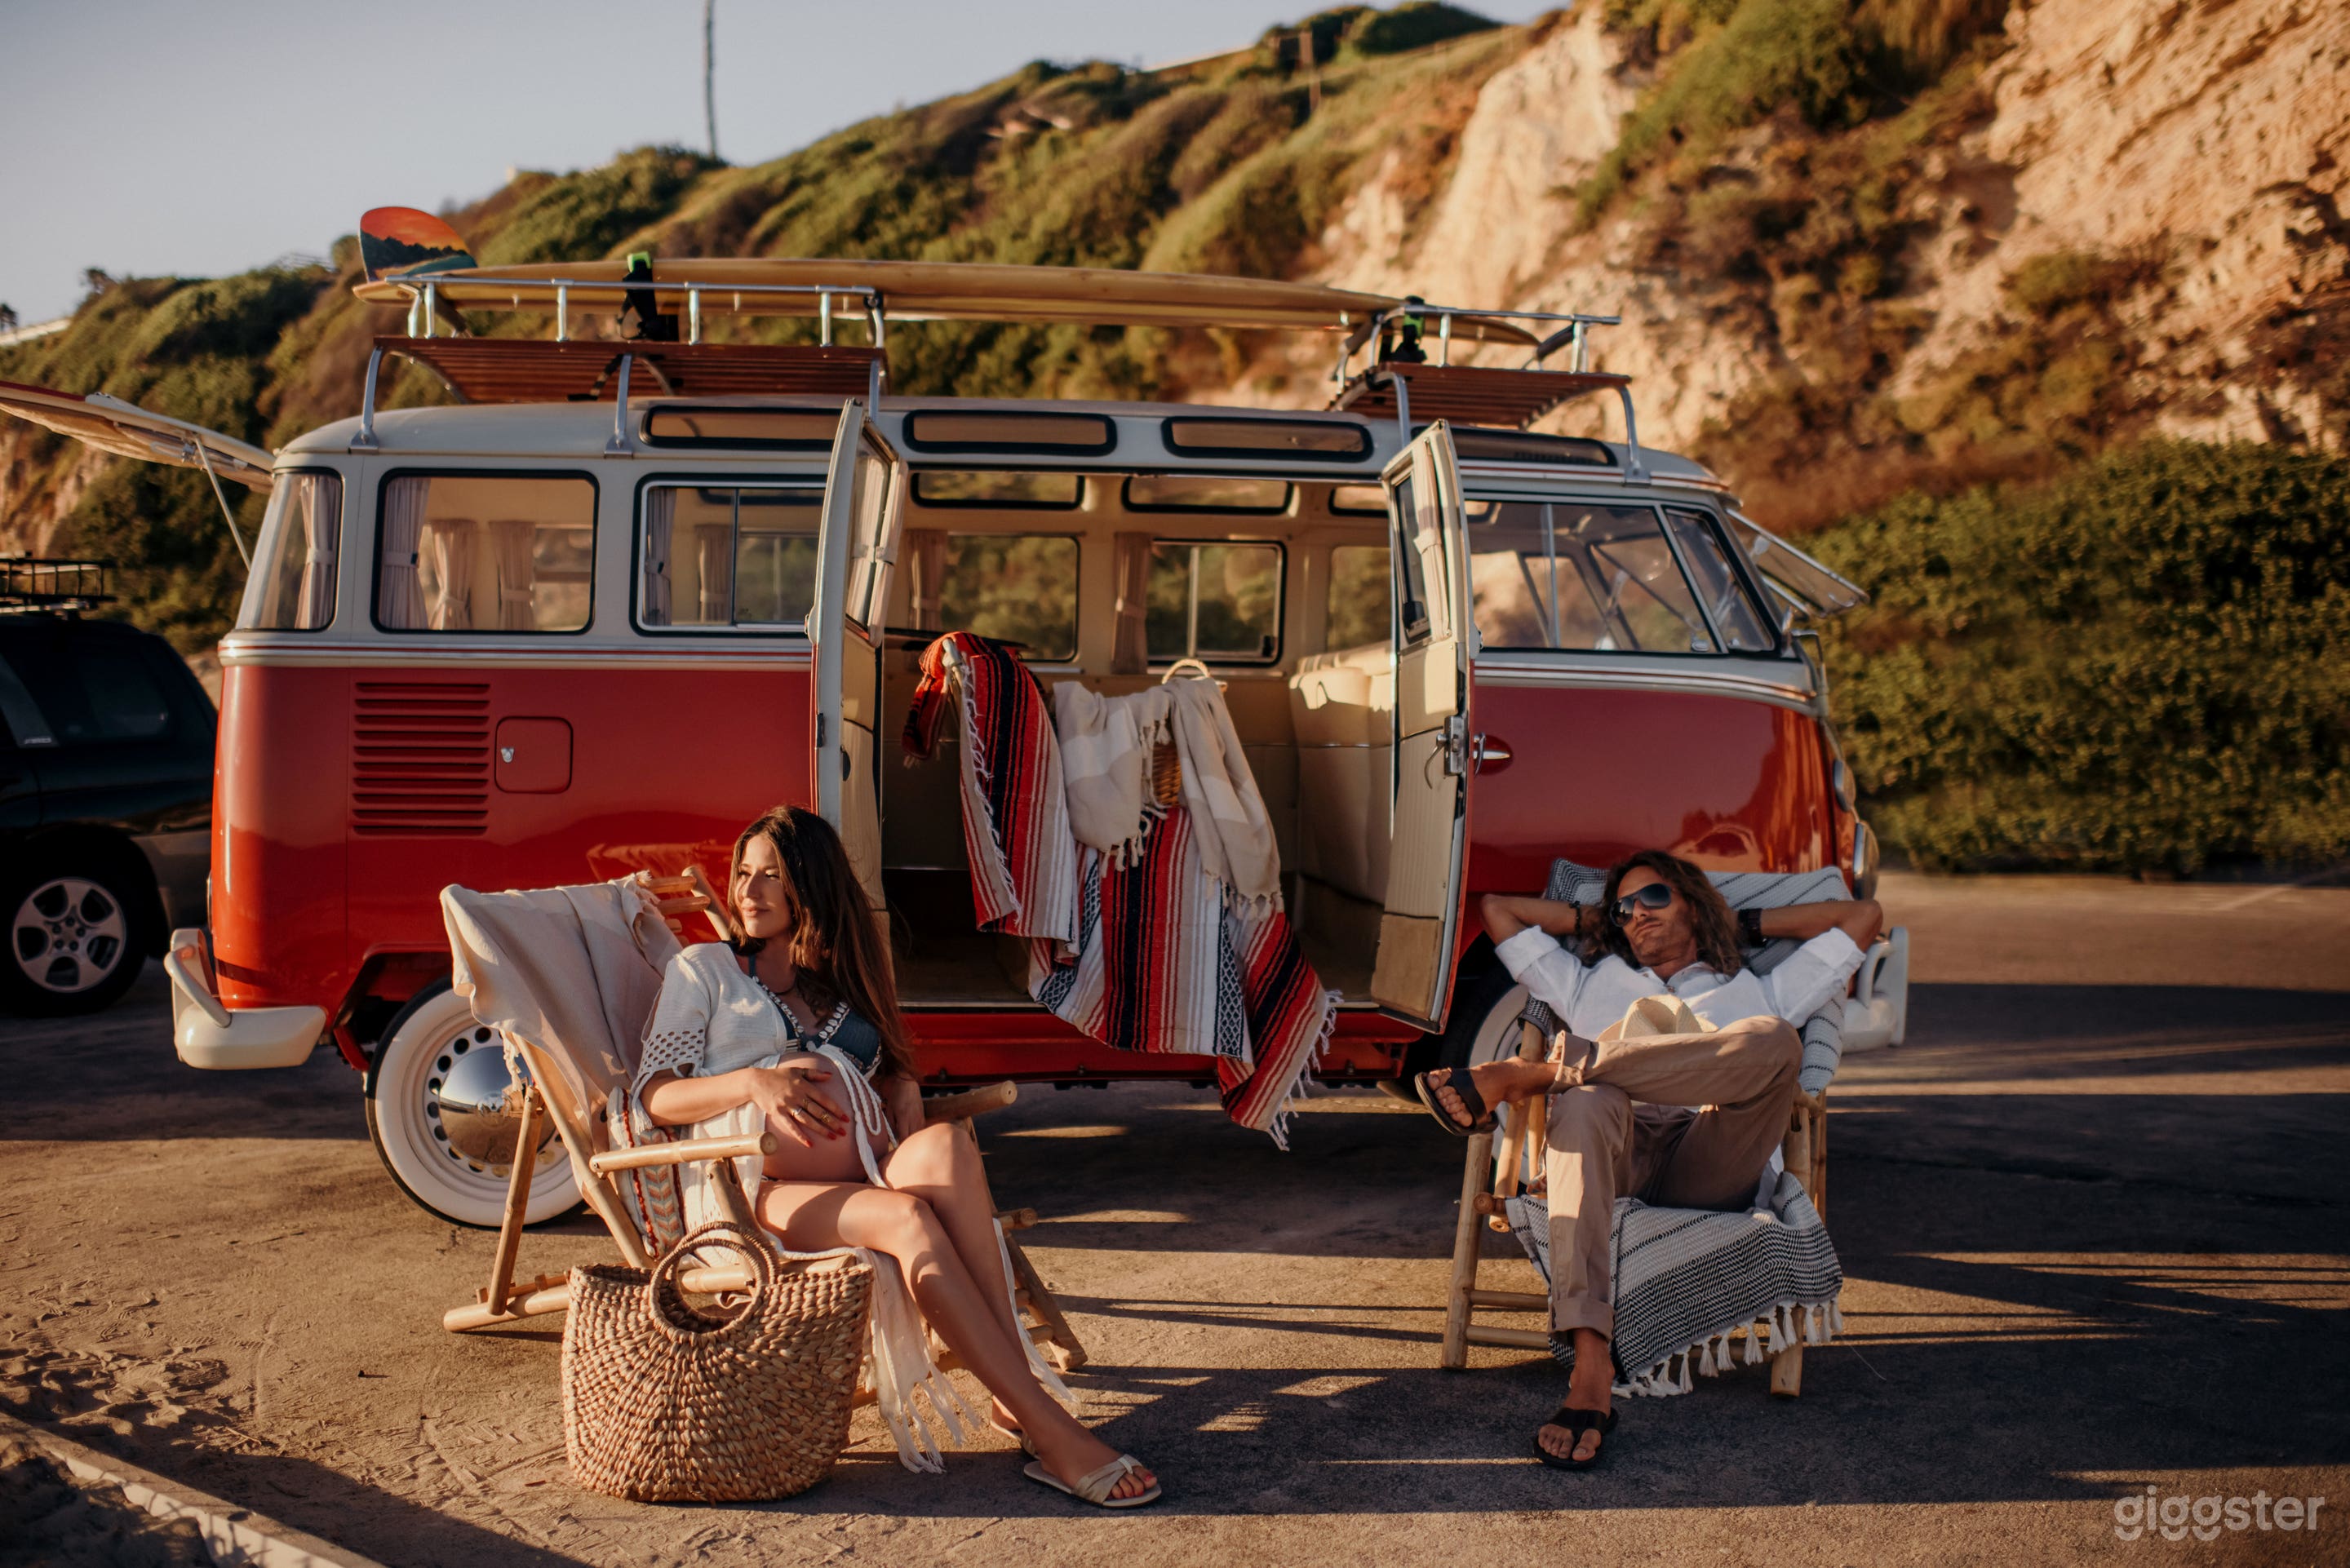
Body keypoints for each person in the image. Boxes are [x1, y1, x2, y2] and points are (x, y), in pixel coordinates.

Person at [635, 806, 1160, 1508]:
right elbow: (654, 1097)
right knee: (908, 1220)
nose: (749, 892)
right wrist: (753, 1081)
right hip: (757, 1195)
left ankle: (1019, 1397)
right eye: (743, 874)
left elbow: (880, 1062)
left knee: (944, 1146)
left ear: (810, 889)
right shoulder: (704, 970)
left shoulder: (837, 980)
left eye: (772, 876)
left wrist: (901, 1079)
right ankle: (1053, 1432)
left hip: (863, 1168)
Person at [1413, 850, 1881, 1472]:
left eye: (1653, 899)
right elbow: (1497, 910)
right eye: (1623, 908)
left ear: (1692, 901)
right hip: (1616, 1145)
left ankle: (1536, 1073)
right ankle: (1589, 1367)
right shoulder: (1586, 981)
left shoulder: (1758, 986)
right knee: (1583, 1104)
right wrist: (1594, 920)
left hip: (1708, 1153)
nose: (1636, 915)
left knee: (1774, 1040)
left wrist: (1741, 921)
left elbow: (1863, 915)